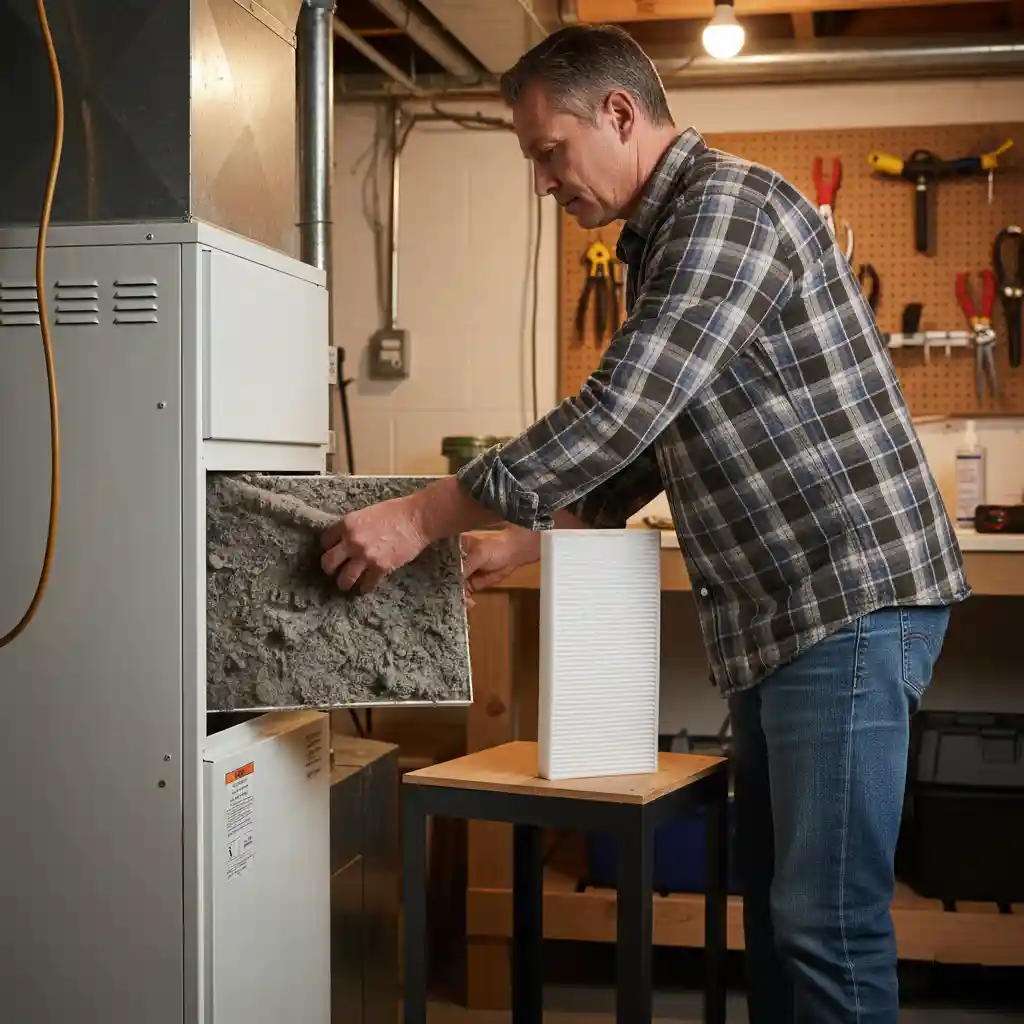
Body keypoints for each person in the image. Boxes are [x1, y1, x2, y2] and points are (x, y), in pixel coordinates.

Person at [319, 23, 969, 1024]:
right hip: (787, 613)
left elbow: (618, 411)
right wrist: (528, 536)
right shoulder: (661, 241)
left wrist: (418, 516)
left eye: (549, 151)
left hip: (848, 597)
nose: (543, 181)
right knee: (779, 918)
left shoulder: (725, 210)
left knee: (824, 925)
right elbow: (656, 441)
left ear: (619, 113)